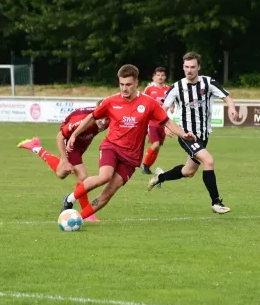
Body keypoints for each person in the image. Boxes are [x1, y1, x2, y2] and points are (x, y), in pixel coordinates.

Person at [60, 64, 196, 219]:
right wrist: (74, 135)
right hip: (111, 147)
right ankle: (70, 199)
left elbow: (167, 122)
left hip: (131, 158)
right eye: (121, 84)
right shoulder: (111, 101)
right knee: (104, 176)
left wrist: (183, 134)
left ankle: (78, 218)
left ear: (136, 83)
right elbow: (92, 116)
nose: (124, 89)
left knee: (109, 191)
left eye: (128, 85)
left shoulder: (149, 103)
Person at [147, 51, 238, 214]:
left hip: (203, 135)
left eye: (193, 67)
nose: (189, 70)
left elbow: (226, 96)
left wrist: (231, 107)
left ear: (199, 67)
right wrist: (166, 126)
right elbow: (163, 110)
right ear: (183, 67)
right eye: (186, 67)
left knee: (189, 172)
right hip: (186, 135)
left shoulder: (208, 83)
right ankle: (216, 202)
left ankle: (159, 177)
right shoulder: (177, 87)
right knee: (208, 162)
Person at [17, 100, 109, 222]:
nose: (103, 123)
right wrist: (65, 160)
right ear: (97, 112)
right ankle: (88, 214)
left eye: (107, 119)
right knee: (82, 176)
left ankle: (36, 147)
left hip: (83, 141)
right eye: (101, 118)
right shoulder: (81, 122)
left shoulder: (107, 116)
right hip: (70, 140)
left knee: (61, 173)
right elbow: (60, 136)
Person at [140, 67, 171, 175]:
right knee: (156, 144)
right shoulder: (149, 89)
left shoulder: (169, 89)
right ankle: (144, 165)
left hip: (163, 122)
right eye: (158, 75)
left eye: (162, 75)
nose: (160, 77)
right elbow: (143, 103)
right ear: (154, 76)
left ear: (165, 77)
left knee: (157, 147)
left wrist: (172, 106)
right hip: (152, 122)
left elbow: (173, 102)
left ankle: (147, 166)